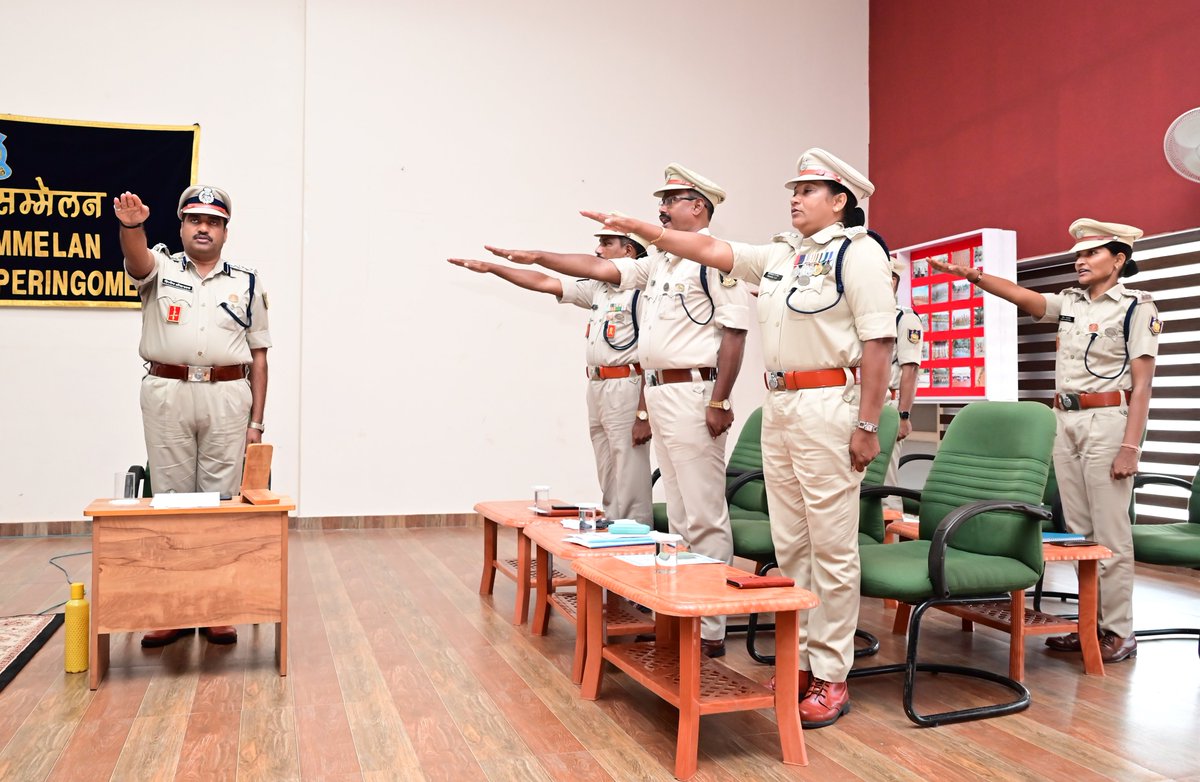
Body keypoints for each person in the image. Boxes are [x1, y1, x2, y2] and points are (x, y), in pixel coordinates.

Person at [582, 149, 894, 728]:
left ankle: (831, 675)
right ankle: (800, 660)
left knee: (831, 546)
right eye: (792, 190)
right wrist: (640, 228)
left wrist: (868, 424)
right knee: (792, 546)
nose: (795, 198)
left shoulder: (861, 254)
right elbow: (709, 248)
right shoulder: (781, 256)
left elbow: (879, 343)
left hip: (831, 404)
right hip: (780, 405)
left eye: (808, 190)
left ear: (840, 200)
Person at [457, 165, 750, 657]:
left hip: (693, 391)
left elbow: (735, 334)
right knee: (678, 517)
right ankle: (682, 612)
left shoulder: (718, 261)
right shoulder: (660, 265)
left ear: (698, 206)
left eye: (671, 199)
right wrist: (536, 256)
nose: (661, 207)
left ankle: (711, 627)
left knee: (703, 515)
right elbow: (596, 271)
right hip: (659, 391)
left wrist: (721, 398)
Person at [930, 219, 1158, 664]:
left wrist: (1131, 446)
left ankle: (1119, 631)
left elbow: (1144, 386)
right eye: (1078, 254)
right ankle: (1090, 625)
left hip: (1109, 419)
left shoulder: (1136, 308)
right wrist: (971, 276)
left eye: (1092, 253)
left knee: (1110, 531)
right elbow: (1021, 296)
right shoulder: (1070, 302)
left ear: (1119, 259)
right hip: (1065, 419)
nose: (1080, 260)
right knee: (1078, 531)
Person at [114, 185, 272, 648]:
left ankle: (217, 609)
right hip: (168, 391)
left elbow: (259, 356)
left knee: (221, 501)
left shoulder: (247, 281)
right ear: (181, 226)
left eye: (214, 221)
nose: (204, 227)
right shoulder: (159, 267)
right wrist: (131, 227)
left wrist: (256, 423)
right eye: (195, 219)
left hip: (227, 394)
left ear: (225, 230)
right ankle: (172, 609)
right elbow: (136, 260)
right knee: (171, 498)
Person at [447, 227, 653, 524]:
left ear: (629, 252)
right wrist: (494, 269)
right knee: (607, 467)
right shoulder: (599, 288)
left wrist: (643, 412)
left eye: (606, 244)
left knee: (630, 471)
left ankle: (637, 540)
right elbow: (545, 282)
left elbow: (651, 354)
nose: (598, 251)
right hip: (597, 385)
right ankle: (613, 533)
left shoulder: (644, 292)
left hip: (627, 385)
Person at [884, 258, 923, 512]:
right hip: (861, 404)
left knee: (885, 485)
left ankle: (891, 541)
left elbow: (910, 369)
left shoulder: (904, 318)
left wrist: (904, 415)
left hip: (888, 407)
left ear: (893, 281)